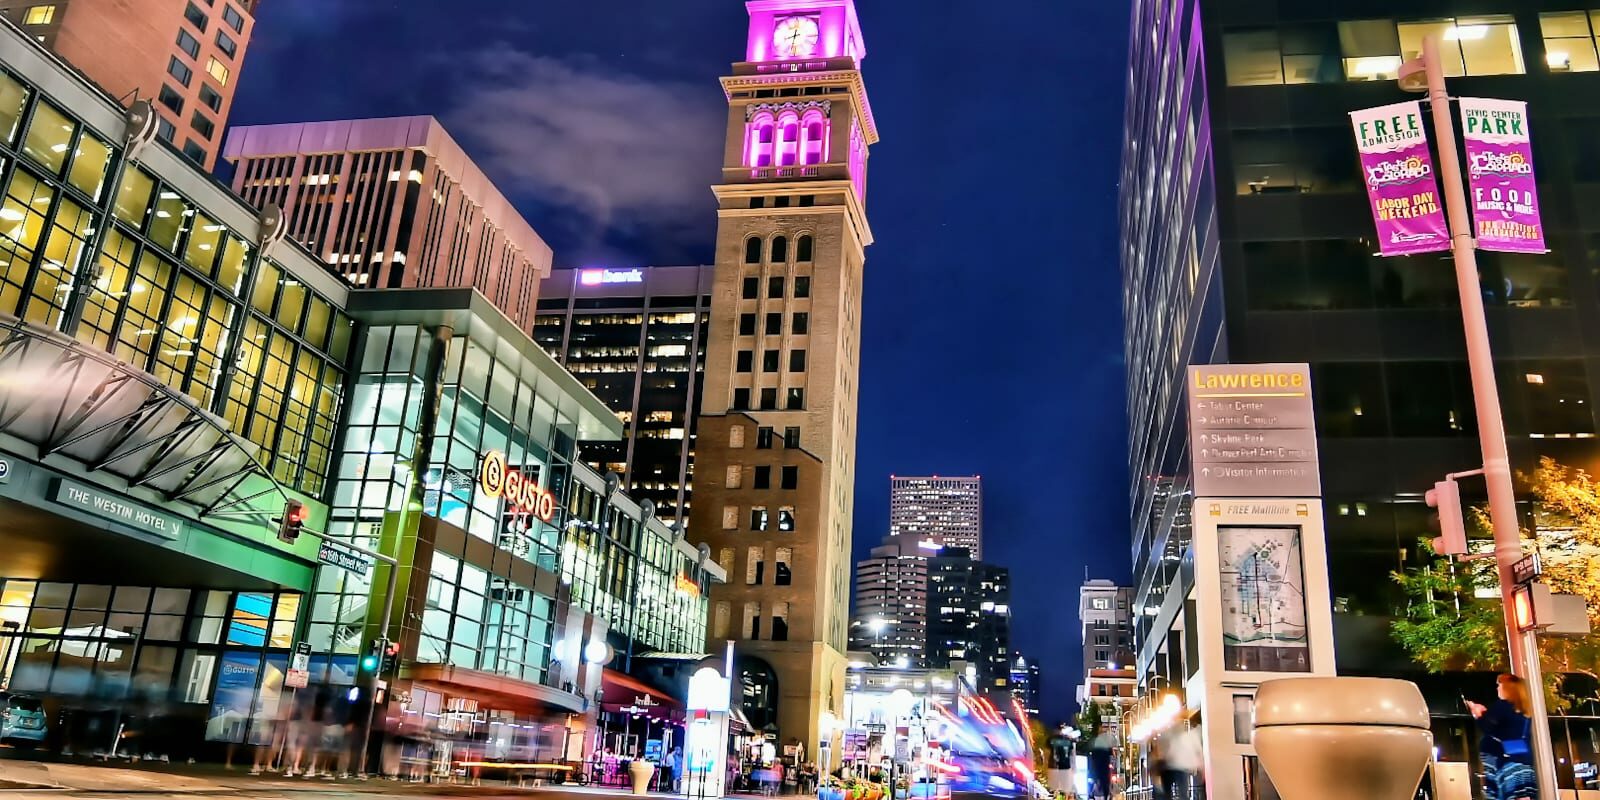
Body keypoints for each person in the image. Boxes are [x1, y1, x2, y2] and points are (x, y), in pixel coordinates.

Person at [1467, 674, 1537, 800]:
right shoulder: (1523, 711)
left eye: (1499, 685)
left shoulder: (1502, 706)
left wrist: (1477, 713)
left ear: (1508, 688)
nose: (1497, 688)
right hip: (1523, 763)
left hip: (1506, 764)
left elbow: (1486, 726)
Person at [1152, 724, 1202, 800]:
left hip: (1169, 767)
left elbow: (1161, 753)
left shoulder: (1168, 736)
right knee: (1182, 793)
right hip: (1176, 767)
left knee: (1168, 793)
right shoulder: (1184, 737)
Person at [1087, 726, 1116, 800]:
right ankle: (1102, 795)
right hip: (1102, 766)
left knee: (1097, 780)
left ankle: (1092, 793)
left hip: (1100, 766)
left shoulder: (1095, 742)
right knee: (1103, 781)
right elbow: (1112, 754)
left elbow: (1091, 753)